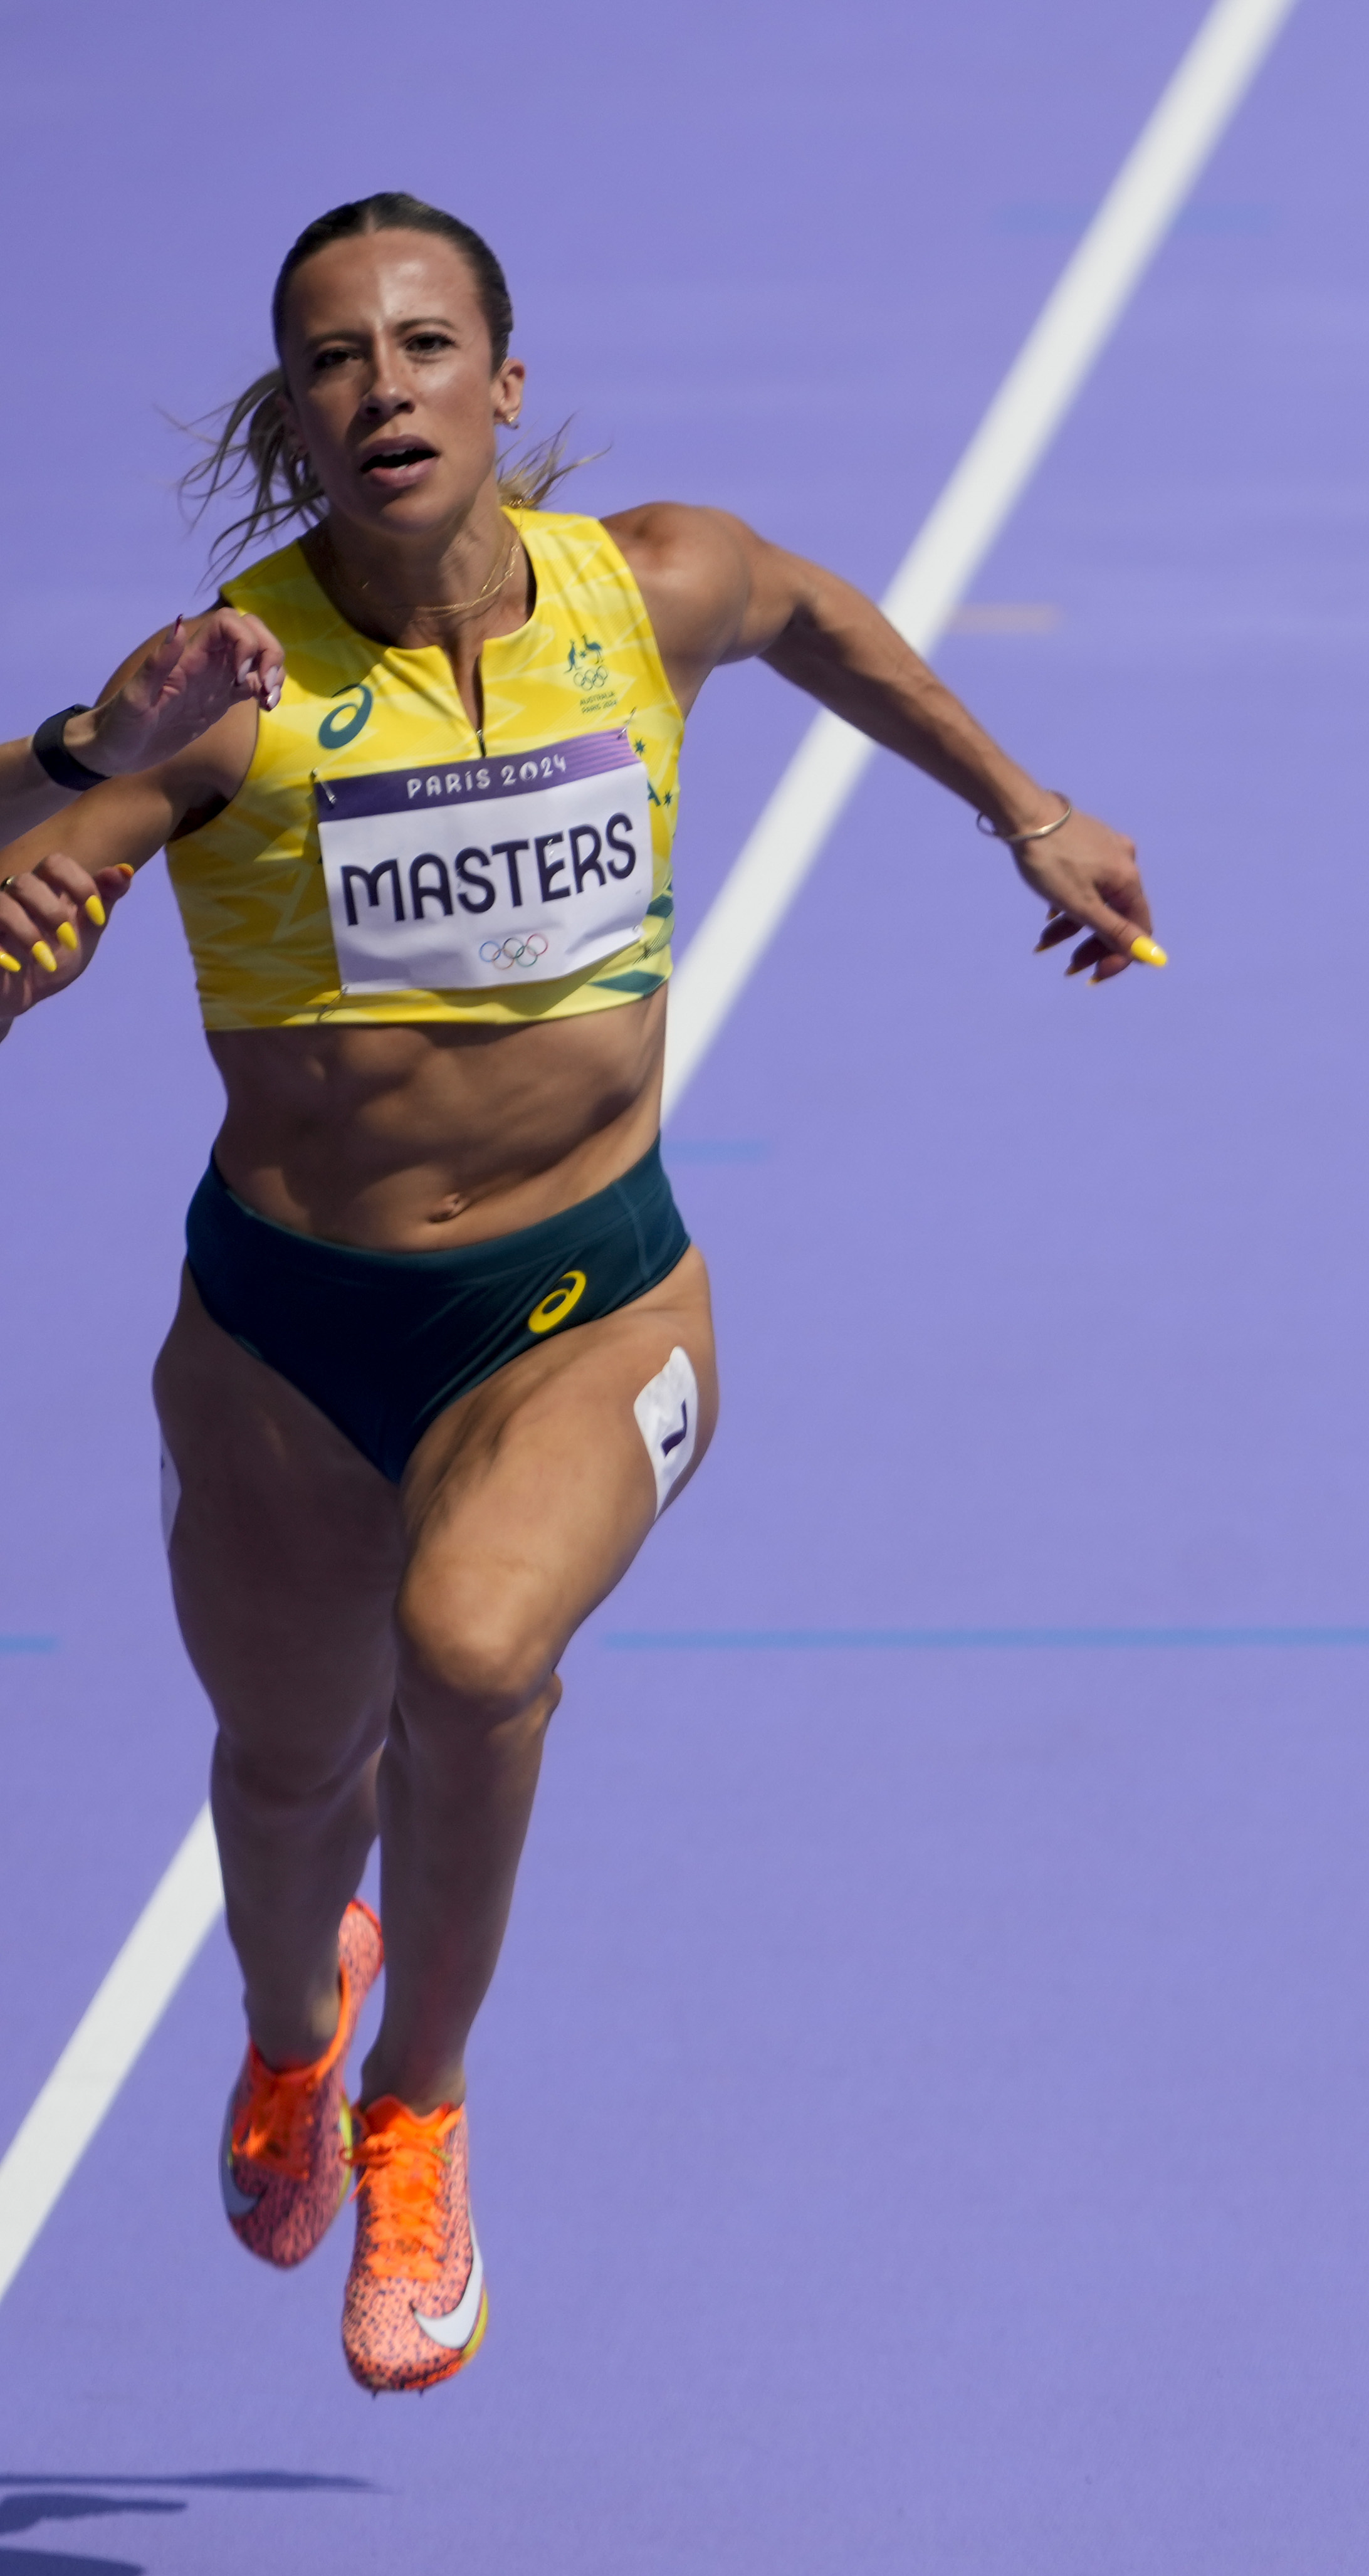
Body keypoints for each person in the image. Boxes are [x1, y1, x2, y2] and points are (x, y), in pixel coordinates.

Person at [0, 192, 1154, 2392]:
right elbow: (14, 881)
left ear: (500, 386)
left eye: (423, 346)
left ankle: (416, 2113)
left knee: (471, 1649)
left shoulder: (650, 588)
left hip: (589, 1307)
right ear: (300, 412)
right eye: (334, 359)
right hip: (281, 1340)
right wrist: (66, 798)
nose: (382, 388)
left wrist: (1027, 808)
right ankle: (290, 2030)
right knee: (277, 1770)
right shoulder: (226, 697)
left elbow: (813, 615)